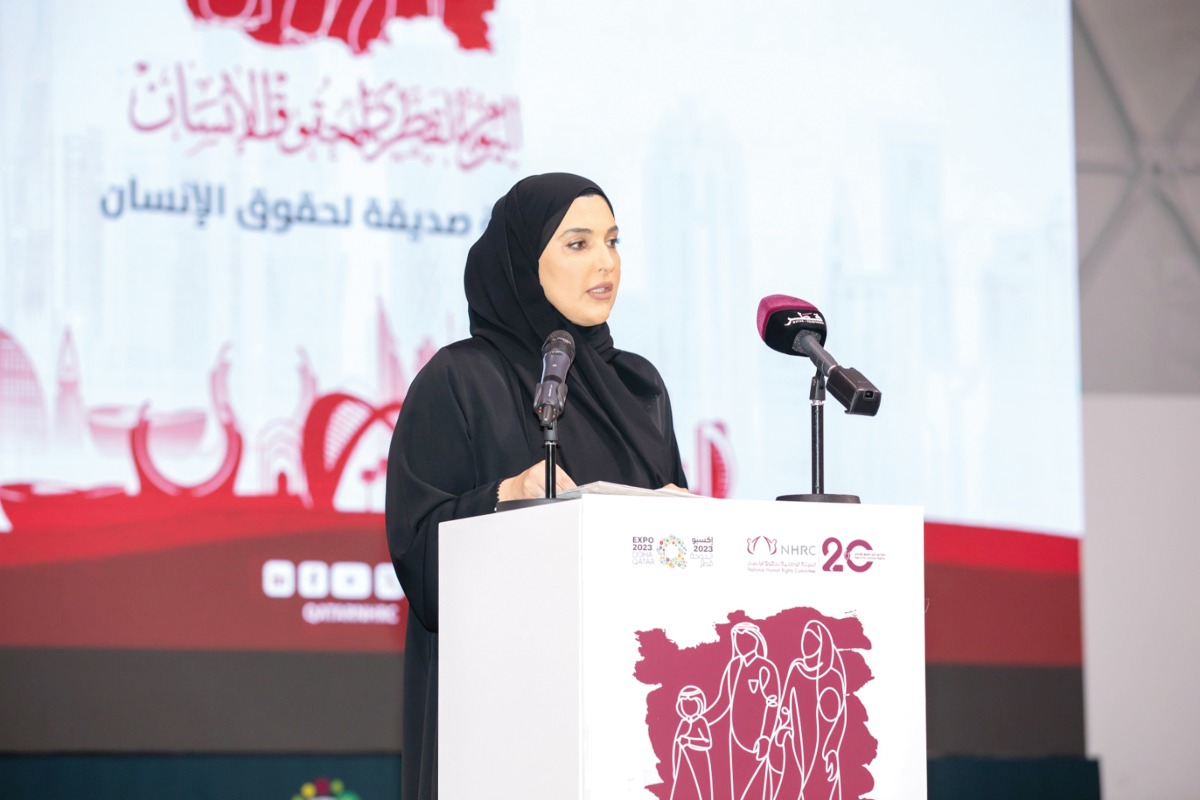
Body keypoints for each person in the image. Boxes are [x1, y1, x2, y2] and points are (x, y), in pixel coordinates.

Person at [385, 172, 689, 799]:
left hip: (630, 723)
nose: (605, 262)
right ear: (525, 261)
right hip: (503, 724)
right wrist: (505, 500)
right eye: (577, 244)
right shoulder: (459, 379)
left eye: (613, 240)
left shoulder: (641, 389)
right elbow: (418, 557)